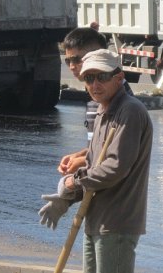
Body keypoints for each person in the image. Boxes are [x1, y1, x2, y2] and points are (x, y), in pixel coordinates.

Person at [59, 49, 153, 273]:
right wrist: (79, 162)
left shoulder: (129, 111)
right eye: (89, 78)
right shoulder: (104, 110)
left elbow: (115, 167)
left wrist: (76, 182)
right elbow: (97, 157)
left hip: (116, 222)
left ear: (119, 78)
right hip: (96, 218)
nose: (94, 84)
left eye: (101, 77)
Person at [38, 28, 134, 231]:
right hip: (97, 208)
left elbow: (116, 158)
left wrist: (79, 172)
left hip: (115, 214)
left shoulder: (120, 101)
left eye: (78, 59)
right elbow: (99, 144)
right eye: (68, 61)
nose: (73, 67)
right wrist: (81, 154)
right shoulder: (96, 98)